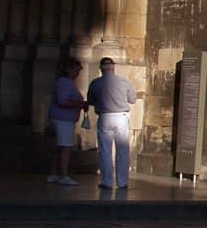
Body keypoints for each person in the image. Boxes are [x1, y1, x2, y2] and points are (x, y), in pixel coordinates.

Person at [85, 56, 141, 190]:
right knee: (122, 150)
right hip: (121, 116)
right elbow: (133, 100)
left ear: (101, 69)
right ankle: (122, 182)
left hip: (105, 116)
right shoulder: (124, 82)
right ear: (113, 68)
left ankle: (107, 181)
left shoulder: (95, 83)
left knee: (105, 150)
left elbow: (91, 101)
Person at [46, 57, 87, 187]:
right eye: (76, 71)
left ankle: (54, 174)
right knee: (65, 147)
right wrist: (80, 103)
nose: (77, 74)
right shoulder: (65, 82)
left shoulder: (64, 82)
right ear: (69, 69)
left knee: (59, 147)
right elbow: (62, 101)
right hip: (63, 119)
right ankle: (63, 175)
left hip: (62, 118)